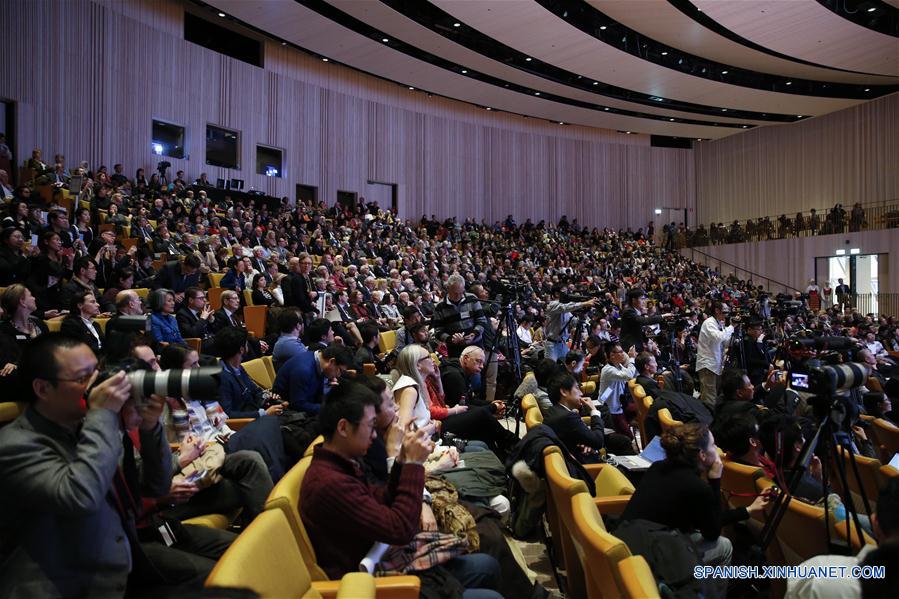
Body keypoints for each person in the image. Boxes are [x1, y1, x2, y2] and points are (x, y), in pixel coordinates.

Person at [0, 334, 167, 597]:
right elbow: (81, 495)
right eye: (82, 378)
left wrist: (150, 428)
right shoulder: (14, 445)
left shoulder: (86, 426)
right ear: (43, 388)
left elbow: (155, 485)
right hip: (68, 585)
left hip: (125, 561)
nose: (98, 384)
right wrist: (103, 415)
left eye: (97, 373)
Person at [300, 382, 503, 598]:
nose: (374, 435)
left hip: (385, 555)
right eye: (370, 426)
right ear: (343, 428)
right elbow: (400, 529)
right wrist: (414, 466)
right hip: (376, 581)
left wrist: (402, 460)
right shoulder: (329, 483)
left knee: (488, 565)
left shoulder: (341, 462)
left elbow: (382, 497)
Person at [620, 423, 770, 566]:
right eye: (713, 445)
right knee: (723, 546)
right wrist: (715, 480)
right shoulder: (697, 487)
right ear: (702, 455)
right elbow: (712, 531)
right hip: (651, 557)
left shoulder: (657, 467)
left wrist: (746, 510)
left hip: (628, 541)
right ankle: (702, 592)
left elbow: (705, 520)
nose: (717, 448)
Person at [544, 373, 635, 461]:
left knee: (621, 440)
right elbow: (598, 442)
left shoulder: (552, 411)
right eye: (577, 388)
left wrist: (587, 441)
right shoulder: (567, 417)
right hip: (585, 466)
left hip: (576, 451)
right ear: (564, 392)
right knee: (623, 441)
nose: (581, 393)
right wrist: (593, 411)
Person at [215, 326, 285, 419]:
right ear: (241, 349)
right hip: (245, 425)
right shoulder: (222, 378)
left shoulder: (238, 367)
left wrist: (267, 397)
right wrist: (264, 413)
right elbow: (228, 414)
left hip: (256, 413)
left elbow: (255, 391)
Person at [272, 343, 355, 414]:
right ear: (332, 362)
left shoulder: (318, 361)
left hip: (303, 404)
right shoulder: (303, 370)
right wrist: (330, 409)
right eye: (340, 370)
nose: (339, 375)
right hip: (286, 410)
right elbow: (298, 404)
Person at [432, 274, 488, 359]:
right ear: (448, 289)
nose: (458, 296)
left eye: (461, 292)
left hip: (475, 345)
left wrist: (474, 334)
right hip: (455, 350)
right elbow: (438, 331)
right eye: (455, 293)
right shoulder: (440, 306)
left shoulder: (472, 298)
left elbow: (482, 320)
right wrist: (451, 339)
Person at [696, 300, 735, 410]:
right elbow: (718, 337)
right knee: (709, 398)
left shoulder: (719, 324)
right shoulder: (709, 323)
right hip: (708, 365)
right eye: (725, 310)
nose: (727, 313)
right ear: (717, 310)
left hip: (715, 365)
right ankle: (707, 424)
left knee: (714, 395)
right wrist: (731, 327)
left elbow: (724, 342)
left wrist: (733, 335)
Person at [542, 286, 595, 362]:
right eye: (564, 292)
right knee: (551, 368)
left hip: (563, 343)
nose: (567, 294)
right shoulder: (552, 304)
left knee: (567, 367)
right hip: (552, 344)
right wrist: (585, 303)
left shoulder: (566, 310)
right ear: (557, 294)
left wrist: (582, 317)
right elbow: (564, 307)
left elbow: (573, 321)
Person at [598, 342, 638, 437]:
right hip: (610, 409)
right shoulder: (607, 370)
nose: (623, 353)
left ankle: (631, 423)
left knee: (639, 409)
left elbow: (632, 374)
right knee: (629, 436)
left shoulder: (619, 367)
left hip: (619, 405)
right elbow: (628, 375)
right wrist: (631, 358)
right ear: (612, 355)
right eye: (620, 351)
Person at [619, 288, 671, 353]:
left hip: (637, 345)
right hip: (630, 347)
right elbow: (644, 321)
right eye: (641, 299)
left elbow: (642, 329)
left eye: (644, 299)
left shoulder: (636, 312)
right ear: (634, 300)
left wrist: (651, 343)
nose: (644, 301)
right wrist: (662, 316)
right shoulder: (629, 311)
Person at [60, 290, 105, 356]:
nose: (98, 305)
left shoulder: (95, 324)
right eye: (93, 302)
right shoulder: (70, 324)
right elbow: (77, 350)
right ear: (80, 305)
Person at [742, 318, 771, 385]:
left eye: (761, 329)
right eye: (758, 329)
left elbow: (763, 354)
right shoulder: (747, 341)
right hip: (753, 373)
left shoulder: (754, 339)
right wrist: (767, 365)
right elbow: (749, 360)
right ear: (749, 329)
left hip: (758, 370)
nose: (760, 332)